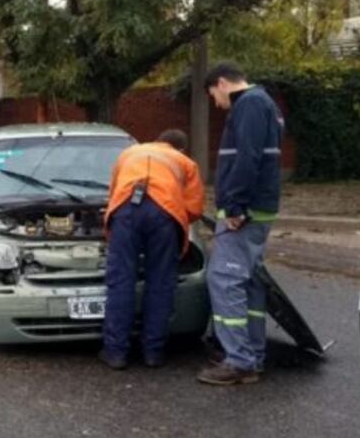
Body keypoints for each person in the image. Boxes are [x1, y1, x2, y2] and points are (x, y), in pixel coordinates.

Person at [198, 62, 284, 386]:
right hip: (259, 207)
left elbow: (248, 158)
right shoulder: (266, 104)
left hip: (244, 210)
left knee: (224, 279)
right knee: (248, 282)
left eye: (212, 95)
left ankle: (240, 361)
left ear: (221, 83)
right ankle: (251, 353)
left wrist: (234, 206)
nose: (216, 103)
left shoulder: (248, 105)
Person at [101, 129, 205, 370]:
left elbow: (113, 191)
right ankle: (153, 353)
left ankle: (116, 353)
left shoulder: (128, 153)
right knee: (160, 282)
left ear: (157, 140)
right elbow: (194, 208)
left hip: (125, 209)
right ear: (180, 149)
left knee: (121, 280)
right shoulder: (185, 162)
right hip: (164, 213)